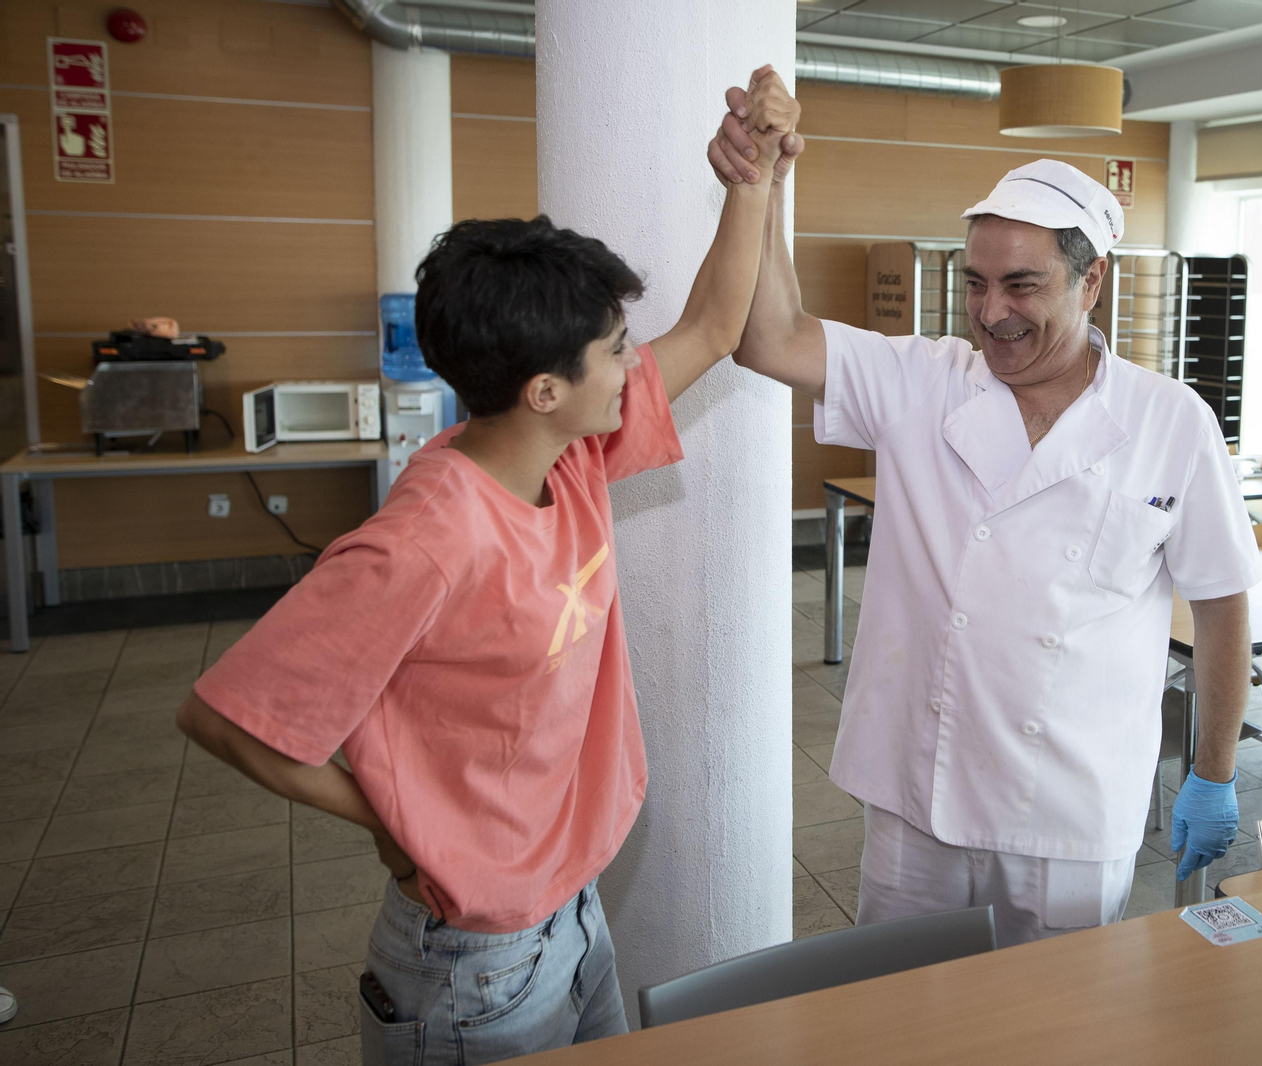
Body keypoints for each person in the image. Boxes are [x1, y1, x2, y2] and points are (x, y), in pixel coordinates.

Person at [176, 70, 801, 1063]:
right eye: (614, 350)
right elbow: (223, 714)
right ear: (545, 387)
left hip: (567, 906)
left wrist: (754, 178)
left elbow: (715, 330)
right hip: (471, 960)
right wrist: (394, 821)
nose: (633, 365)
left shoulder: (574, 454)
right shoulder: (429, 537)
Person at [710, 101, 1259, 948]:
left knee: (1058, 1029)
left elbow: (1222, 604)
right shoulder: (924, 381)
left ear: (1092, 280)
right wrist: (769, 185)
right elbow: (768, 337)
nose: (991, 311)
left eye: (1022, 285)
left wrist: (1213, 773)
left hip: (1071, 813)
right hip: (917, 796)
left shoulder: (1170, 421)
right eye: (976, 283)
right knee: (901, 1022)